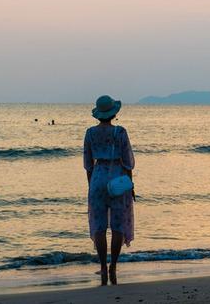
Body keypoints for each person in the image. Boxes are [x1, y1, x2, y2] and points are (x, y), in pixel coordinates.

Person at [83, 95, 135, 285]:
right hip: (117, 179)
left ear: (98, 115)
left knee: (99, 226)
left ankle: (103, 268)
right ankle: (113, 266)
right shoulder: (120, 132)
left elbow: (88, 164)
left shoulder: (89, 133)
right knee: (118, 225)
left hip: (97, 179)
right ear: (113, 114)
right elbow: (128, 163)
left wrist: (91, 186)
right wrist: (131, 185)